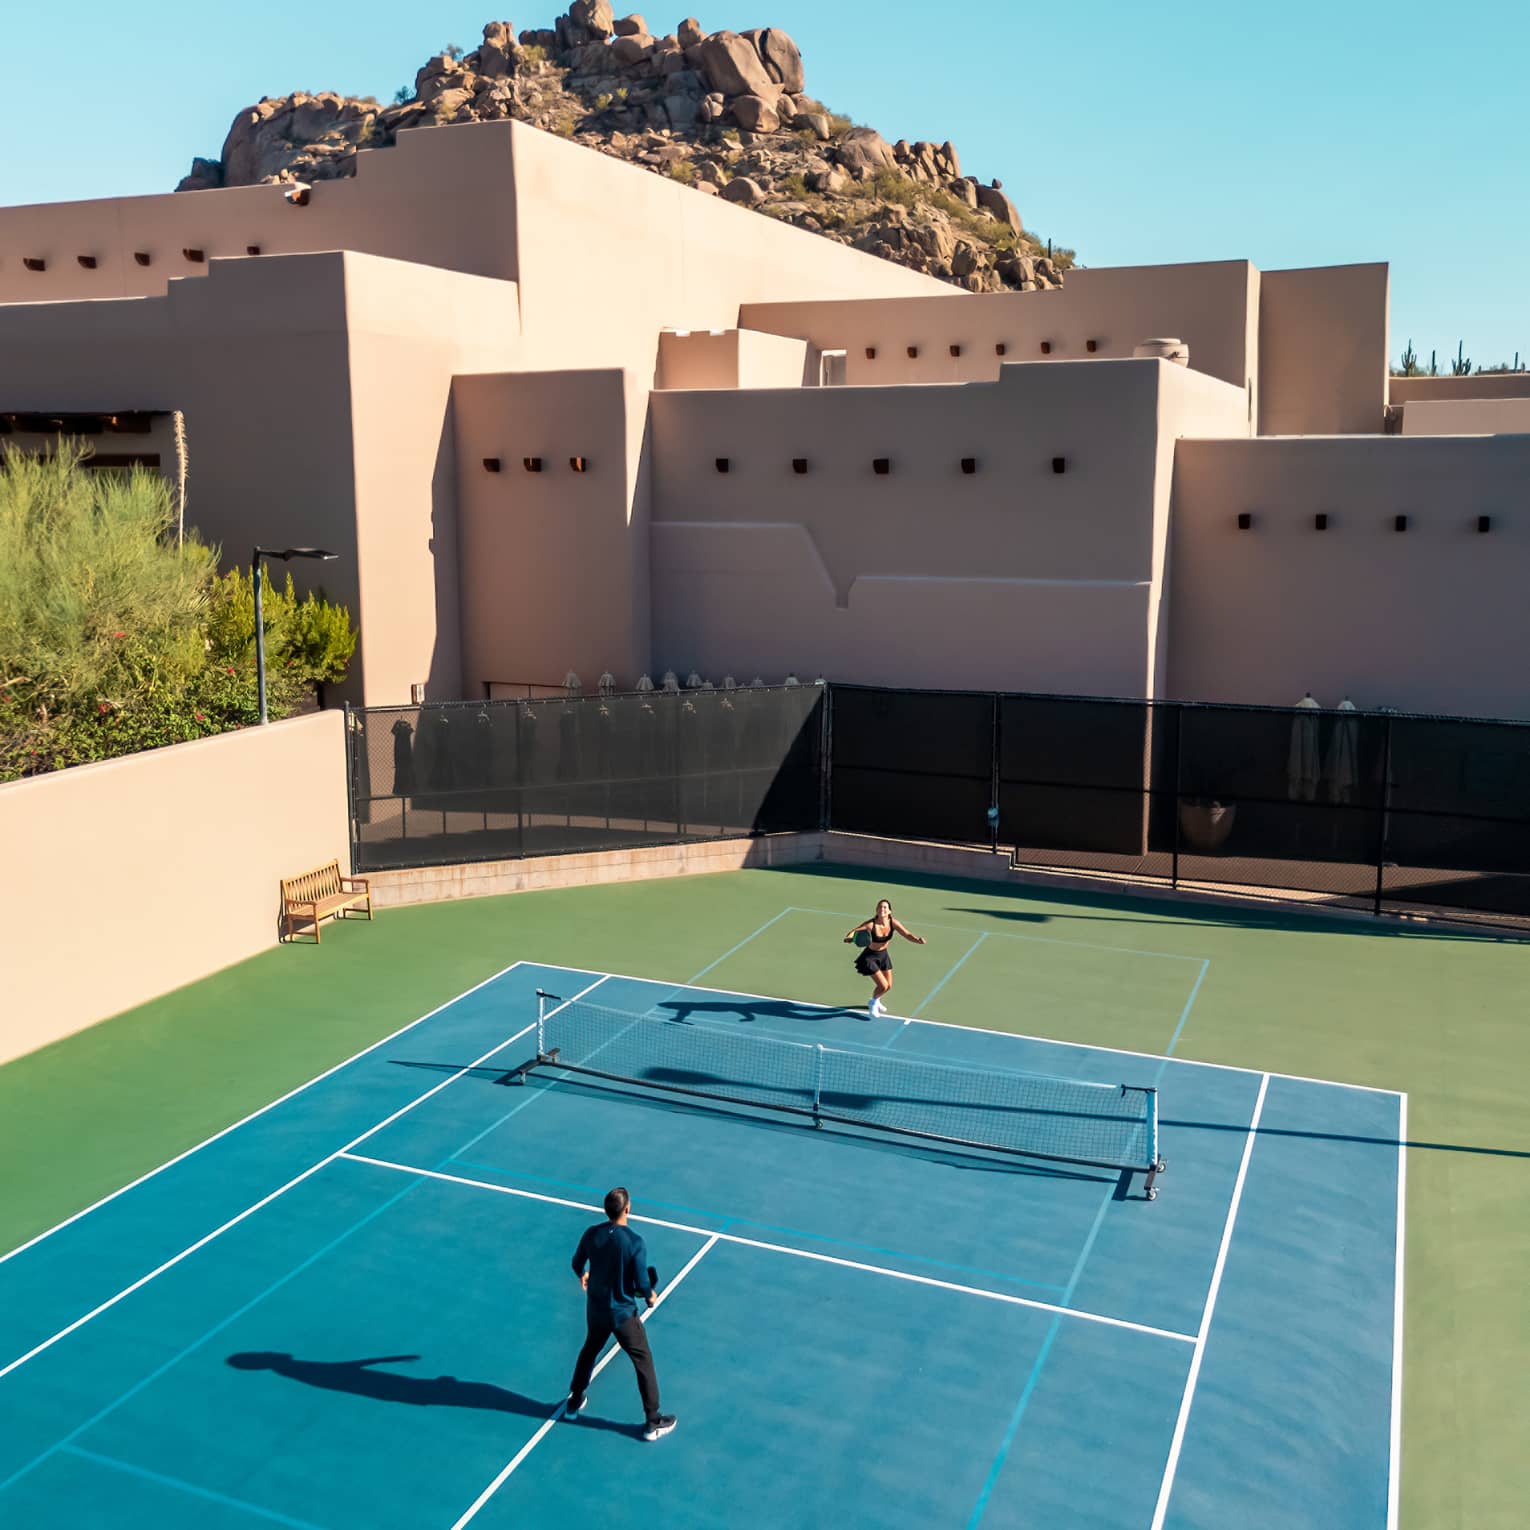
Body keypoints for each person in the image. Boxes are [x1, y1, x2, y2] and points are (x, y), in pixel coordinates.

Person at [565, 1186, 677, 1442]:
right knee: (643, 1360)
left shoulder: (592, 1234)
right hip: (623, 1315)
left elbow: (576, 1263)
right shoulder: (635, 1243)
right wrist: (649, 1296)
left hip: (596, 1310)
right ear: (627, 1209)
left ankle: (574, 1401)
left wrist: (583, 1275)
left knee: (589, 1350)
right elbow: (641, 1282)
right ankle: (653, 1421)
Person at [843, 898, 927, 1017]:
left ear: (889, 911)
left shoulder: (893, 923)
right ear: (876, 910)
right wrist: (848, 937)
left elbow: (907, 934)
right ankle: (872, 1003)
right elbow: (855, 931)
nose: (882, 909)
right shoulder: (871, 924)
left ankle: (876, 1000)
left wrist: (918, 941)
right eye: (880, 907)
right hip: (869, 957)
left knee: (889, 985)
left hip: (883, 955)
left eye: (885, 907)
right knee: (883, 986)